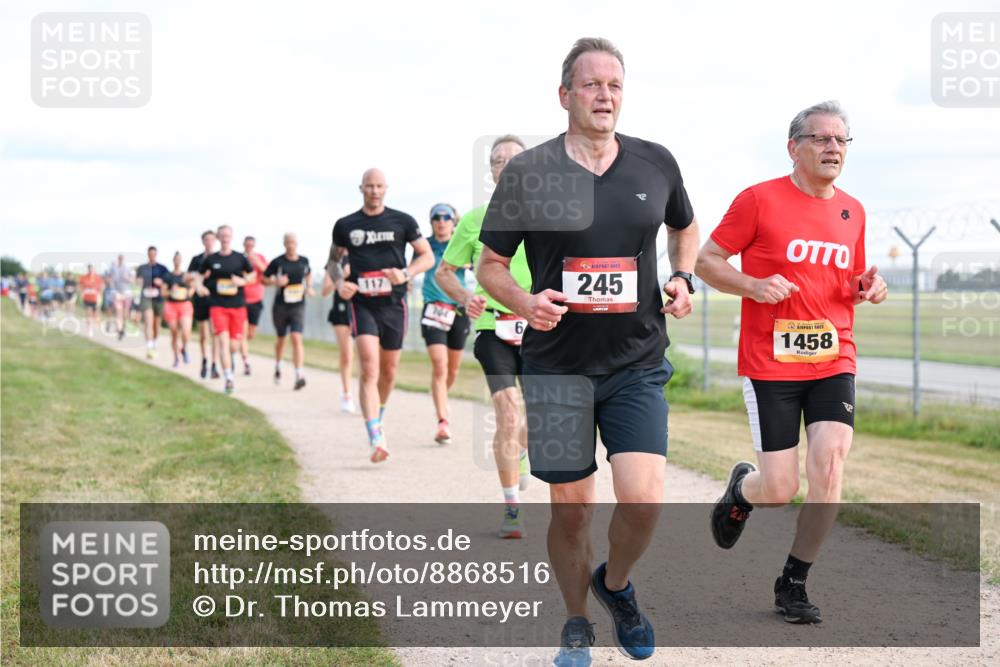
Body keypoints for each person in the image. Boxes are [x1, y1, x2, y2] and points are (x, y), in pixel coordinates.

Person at [477, 38, 699, 666]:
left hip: (636, 362)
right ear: (565, 94)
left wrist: (683, 278)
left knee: (644, 498)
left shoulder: (655, 163)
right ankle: (576, 622)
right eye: (592, 85)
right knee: (572, 514)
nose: (605, 96)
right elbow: (491, 265)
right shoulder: (530, 172)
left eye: (615, 86)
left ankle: (616, 585)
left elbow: (685, 226)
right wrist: (523, 303)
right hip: (557, 369)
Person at [695, 100, 888, 625]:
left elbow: (844, 280)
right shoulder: (758, 200)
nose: (833, 148)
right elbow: (706, 262)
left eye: (841, 140)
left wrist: (866, 287)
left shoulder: (853, 210)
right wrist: (754, 285)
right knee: (780, 488)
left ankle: (794, 580)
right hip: (770, 362)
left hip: (833, 355)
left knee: (829, 463)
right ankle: (743, 489)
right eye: (821, 139)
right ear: (793, 147)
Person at [437, 134, 533, 538]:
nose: (506, 165)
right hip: (494, 327)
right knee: (508, 413)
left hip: (540, 327)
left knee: (539, 420)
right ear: (491, 171)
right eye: (498, 160)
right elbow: (445, 271)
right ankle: (512, 505)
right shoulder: (474, 220)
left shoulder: (550, 215)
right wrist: (465, 298)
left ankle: (523, 452)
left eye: (514, 159)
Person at [328, 168, 434, 463]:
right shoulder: (346, 225)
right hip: (362, 304)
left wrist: (405, 272)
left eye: (379, 186)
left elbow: (427, 256)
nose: (374, 191)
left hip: (394, 305)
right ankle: (375, 434)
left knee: (388, 372)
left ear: (386, 189)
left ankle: (379, 412)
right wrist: (340, 284)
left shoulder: (403, 221)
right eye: (369, 186)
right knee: (370, 369)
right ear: (360, 188)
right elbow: (333, 263)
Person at [419, 203, 471, 445]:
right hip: (433, 309)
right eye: (436, 218)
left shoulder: (461, 243)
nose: (441, 221)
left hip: (459, 311)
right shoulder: (425, 246)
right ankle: (442, 421)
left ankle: (441, 397)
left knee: (452, 370)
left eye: (446, 217)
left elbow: (476, 264)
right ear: (431, 221)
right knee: (439, 367)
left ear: (453, 221)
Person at [196, 225, 252, 394]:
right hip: (218, 305)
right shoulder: (211, 259)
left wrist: (243, 281)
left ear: (232, 237)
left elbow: (252, 274)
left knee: (234, 346)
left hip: (237, 306)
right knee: (222, 342)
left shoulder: (240, 258)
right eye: (222, 235)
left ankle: (230, 360)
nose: (225, 238)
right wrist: (199, 286)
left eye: (228, 235)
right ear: (218, 238)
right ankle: (228, 378)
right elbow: (198, 275)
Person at [263, 233, 313, 390]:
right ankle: (278, 366)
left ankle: (299, 375)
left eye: (293, 242)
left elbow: (308, 274)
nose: (291, 245)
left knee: (296, 338)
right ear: (284, 244)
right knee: (281, 340)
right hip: (280, 306)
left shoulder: (304, 261)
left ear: (297, 243)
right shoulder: (277, 262)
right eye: (288, 242)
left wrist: (309, 287)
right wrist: (275, 281)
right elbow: (264, 279)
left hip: (298, 305)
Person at [322, 257, 356, 411]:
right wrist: (341, 278)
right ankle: (346, 394)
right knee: (347, 355)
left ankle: (366, 394)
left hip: (362, 308)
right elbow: (324, 290)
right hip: (341, 311)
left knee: (366, 357)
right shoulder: (335, 263)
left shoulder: (364, 254)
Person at [189, 230, 220, 379]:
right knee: (203, 334)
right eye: (206, 240)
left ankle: (214, 364)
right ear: (203, 242)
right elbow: (187, 276)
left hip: (215, 298)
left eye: (211, 240)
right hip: (201, 299)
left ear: (215, 241)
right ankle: (204, 360)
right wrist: (199, 275)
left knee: (215, 332)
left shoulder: (219, 258)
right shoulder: (197, 259)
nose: (209, 242)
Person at [240, 235, 268, 376]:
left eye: (252, 244)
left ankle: (243, 350)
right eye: (247, 244)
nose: (249, 247)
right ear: (244, 245)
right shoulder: (239, 258)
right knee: (243, 334)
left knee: (251, 333)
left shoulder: (260, 257)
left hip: (256, 299)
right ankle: (246, 362)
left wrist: (258, 263)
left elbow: (268, 274)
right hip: (241, 300)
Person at [136, 246, 170, 359]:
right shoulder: (141, 268)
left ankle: (154, 342)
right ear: (147, 254)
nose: (152, 256)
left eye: (153, 254)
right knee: (148, 321)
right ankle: (149, 347)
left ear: (156, 254)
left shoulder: (162, 268)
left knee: (156, 324)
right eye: (150, 254)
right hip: (146, 297)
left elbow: (168, 282)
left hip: (158, 298)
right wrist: (138, 282)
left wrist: (161, 283)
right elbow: (137, 281)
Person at [162, 251, 194, 367]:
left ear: (181, 261)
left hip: (184, 305)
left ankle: (184, 349)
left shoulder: (185, 276)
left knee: (186, 331)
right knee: (174, 333)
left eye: (179, 259)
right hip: (171, 305)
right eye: (176, 259)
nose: (177, 261)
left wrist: (187, 293)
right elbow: (163, 292)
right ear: (173, 260)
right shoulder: (168, 276)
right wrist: (171, 291)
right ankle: (175, 357)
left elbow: (192, 288)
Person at [108, 255, 134, 340]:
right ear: (118, 259)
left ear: (124, 260)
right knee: (119, 312)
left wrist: (127, 278)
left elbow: (133, 280)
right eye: (119, 259)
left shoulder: (128, 268)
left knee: (125, 313)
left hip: (127, 294)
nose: (120, 260)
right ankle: (120, 331)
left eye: (122, 259)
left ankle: (123, 327)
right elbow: (109, 279)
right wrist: (112, 288)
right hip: (117, 294)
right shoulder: (113, 269)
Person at [78, 265, 104, 337]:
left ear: (94, 269)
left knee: (96, 314)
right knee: (88, 313)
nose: (90, 270)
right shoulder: (84, 277)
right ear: (88, 269)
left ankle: (96, 323)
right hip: (87, 298)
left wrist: (100, 295)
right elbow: (80, 286)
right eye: (89, 269)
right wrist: (82, 293)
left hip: (95, 298)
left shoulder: (98, 278)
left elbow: (101, 287)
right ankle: (90, 329)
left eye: (92, 269)